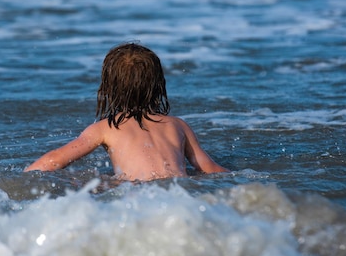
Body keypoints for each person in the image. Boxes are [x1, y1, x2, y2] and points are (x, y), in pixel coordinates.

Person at [24, 43, 229, 181]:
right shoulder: (177, 125)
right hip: (178, 192)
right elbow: (210, 169)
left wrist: (18, 180)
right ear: (158, 86)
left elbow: (54, 160)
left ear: (109, 88)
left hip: (139, 195)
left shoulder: (104, 129)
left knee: (90, 183)